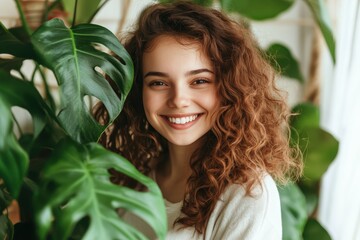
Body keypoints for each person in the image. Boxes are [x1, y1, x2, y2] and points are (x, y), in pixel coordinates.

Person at [93, 1, 302, 239]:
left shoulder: (247, 195)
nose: (179, 100)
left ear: (229, 87)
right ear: (138, 91)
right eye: (158, 83)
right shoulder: (133, 176)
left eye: (199, 81)